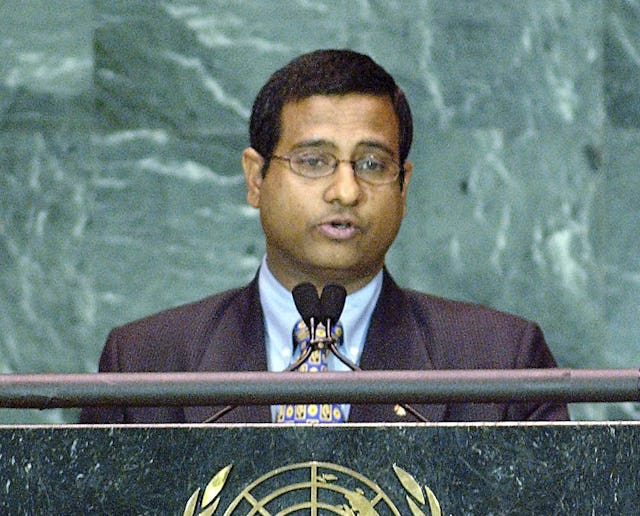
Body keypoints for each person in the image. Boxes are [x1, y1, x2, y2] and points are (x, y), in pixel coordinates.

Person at [80, 49, 569, 424]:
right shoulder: (148, 364)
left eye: (372, 164)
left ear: (404, 186)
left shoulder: (499, 364)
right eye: (314, 161)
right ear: (255, 179)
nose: (346, 190)